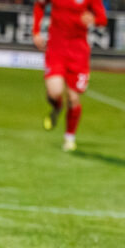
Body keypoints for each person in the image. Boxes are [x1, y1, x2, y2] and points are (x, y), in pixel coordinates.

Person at [32, 0, 107, 151]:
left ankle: (69, 138)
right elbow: (40, 4)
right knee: (54, 92)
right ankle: (57, 106)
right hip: (56, 49)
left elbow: (102, 19)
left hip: (78, 53)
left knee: (73, 98)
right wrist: (36, 32)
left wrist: (93, 19)